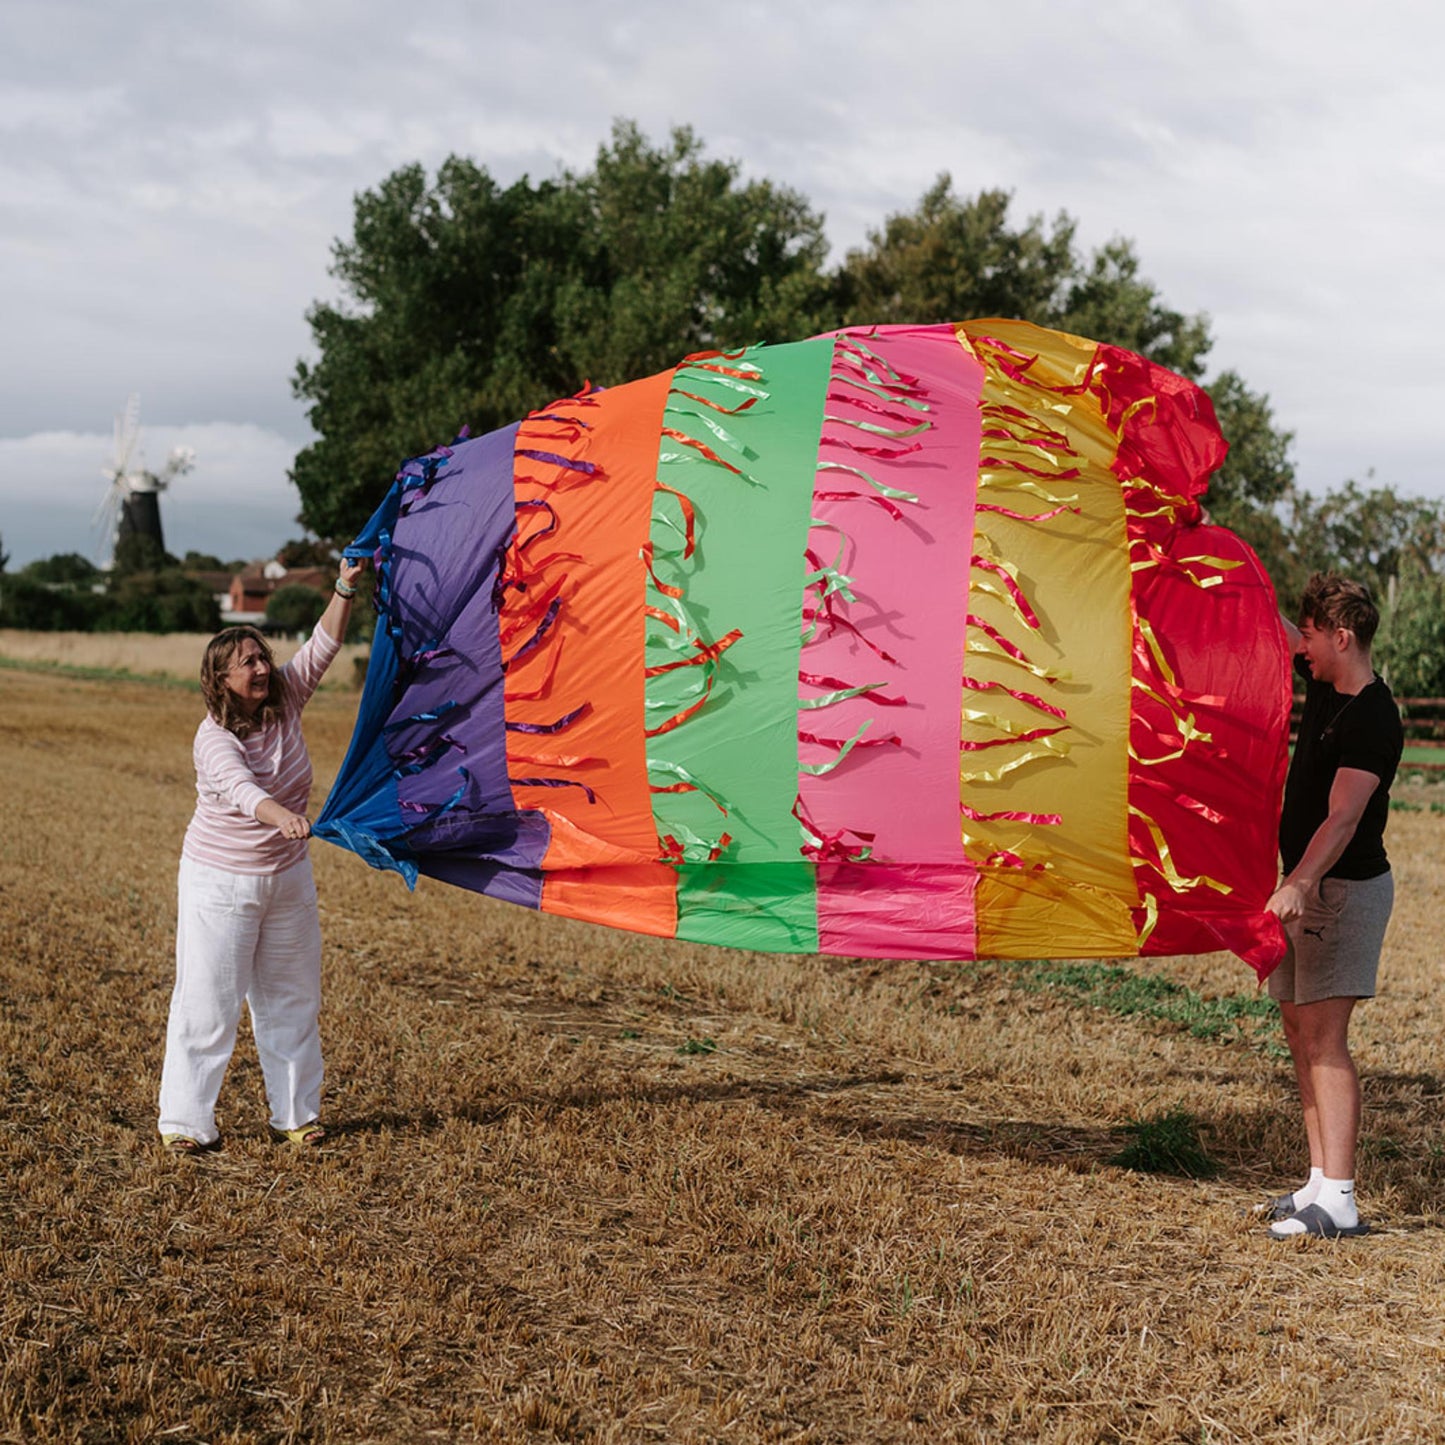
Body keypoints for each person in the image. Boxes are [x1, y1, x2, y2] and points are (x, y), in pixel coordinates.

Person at [157, 559, 366, 1153]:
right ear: (220, 679)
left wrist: (345, 586)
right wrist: (285, 818)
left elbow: (323, 645)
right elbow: (244, 793)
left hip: (287, 881)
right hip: (220, 884)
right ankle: (186, 1124)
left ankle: (295, 1117)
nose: (261, 666)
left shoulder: (286, 698)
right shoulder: (213, 738)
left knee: (292, 999)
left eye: (262, 655)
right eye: (246, 661)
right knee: (208, 1003)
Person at [1261, 573, 1402, 1238]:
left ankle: (1340, 1199)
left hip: (1340, 892)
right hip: (1306, 888)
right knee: (1296, 1029)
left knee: (1324, 1039)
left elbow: (1342, 817)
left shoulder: (1374, 714)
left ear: (1341, 637)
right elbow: (1277, 628)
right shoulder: (1325, 684)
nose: (1302, 645)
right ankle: (1318, 1181)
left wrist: (1301, 881)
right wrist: (1199, 533)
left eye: (1313, 634)